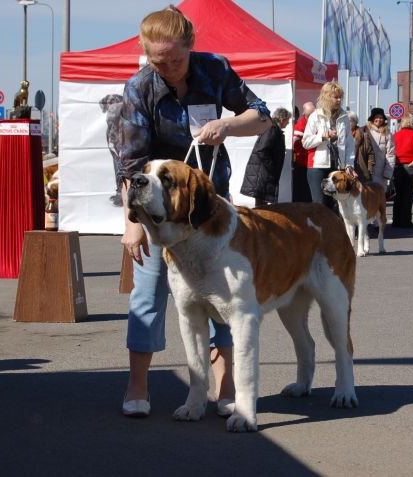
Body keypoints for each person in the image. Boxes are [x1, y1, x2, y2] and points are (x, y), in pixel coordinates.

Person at [117, 5, 271, 418]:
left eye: (176, 59)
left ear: (191, 46)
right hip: (154, 213)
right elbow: (130, 167)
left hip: (210, 209)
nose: (167, 68)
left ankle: (226, 384)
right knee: (147, 295)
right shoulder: (138, 89)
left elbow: (262, 116)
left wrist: (228, 126)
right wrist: (132, 226)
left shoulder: (215, 70)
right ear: (144, 53)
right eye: (157, 60)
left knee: (226, 296)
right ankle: (138, 384)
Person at [301, 81, 355, 209]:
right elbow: (305, 142)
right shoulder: (316, 116)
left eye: (340, 97)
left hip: (338, 165)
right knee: (319, 204)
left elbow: (349, 143)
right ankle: (318, 229)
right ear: (327, 97)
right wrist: (323, 136)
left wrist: (349, 165)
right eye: (336, 97)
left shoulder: (344, 117)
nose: (339, 100)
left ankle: (334, 229)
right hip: (317, 166)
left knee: (338, 204)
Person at [240, 107, 291, 206]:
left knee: (262, 203)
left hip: (262, 173)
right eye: (287, 120)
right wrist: (271, 167)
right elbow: (262, 150)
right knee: (261, 205)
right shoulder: (272, 129)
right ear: (283, 119)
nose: (288, 123)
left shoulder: (272, 128)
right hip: (263, 174)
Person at [392, 114, 413, 227]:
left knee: (398, 194)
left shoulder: (395, 136)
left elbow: (391, 151)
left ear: (401, 123)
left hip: (398, 166)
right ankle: (406, 221)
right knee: (408, 195)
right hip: (411, 166)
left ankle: (396, 220)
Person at [291, 101, 315, 202]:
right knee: (302, 192)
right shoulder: (300, 126)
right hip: (302, 163)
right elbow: (295, 145)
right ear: (304, 114)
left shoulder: (312, 122)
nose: (312, 117)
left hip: (309, 163)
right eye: (310, 115)